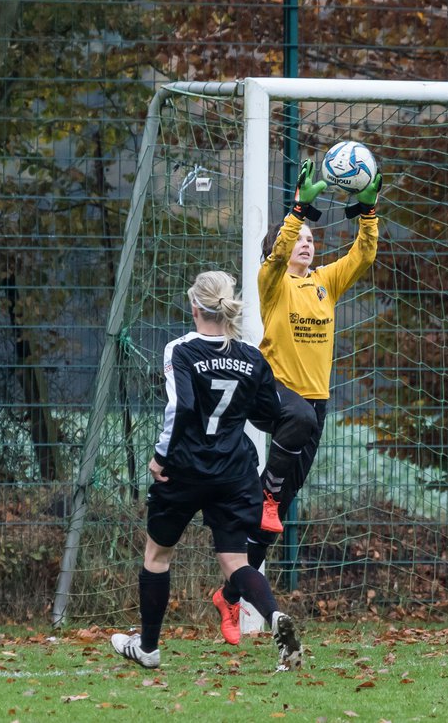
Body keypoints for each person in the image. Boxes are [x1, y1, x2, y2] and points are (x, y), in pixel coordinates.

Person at [210, 158, 381, 645]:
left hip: (312, 407)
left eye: (310, 237)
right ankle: (266, 495)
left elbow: (364, 256)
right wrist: (299, 209)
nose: (306, 241)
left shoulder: (326, 282)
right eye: (299, 237)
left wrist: (368, 212)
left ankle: (229, 593)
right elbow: (278, 249)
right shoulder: (273, 282)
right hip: (273, 393)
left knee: (276, 517)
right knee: (295, 423)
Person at [110, 270, 304, 672]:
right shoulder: (252, 356)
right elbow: (270, 414)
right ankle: (275, 619)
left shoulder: (181, 350)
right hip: (233, 472)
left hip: (183, 470)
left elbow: (180, 408)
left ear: (195, 305)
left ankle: (147, 647)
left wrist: (160, 458)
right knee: (236, 562)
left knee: (157, 555)